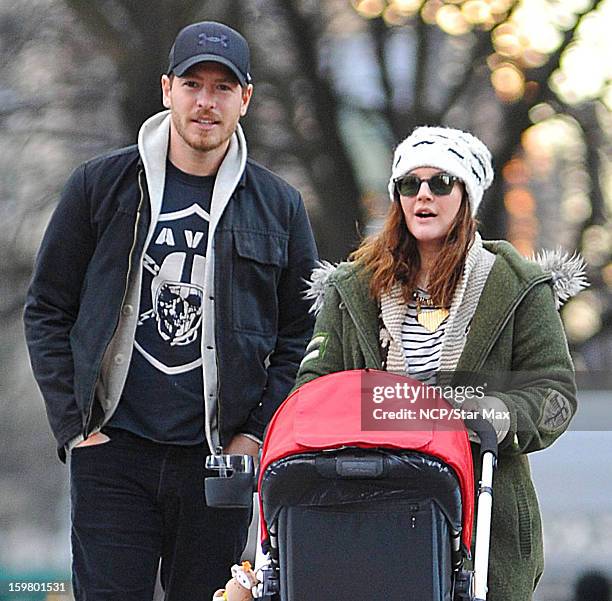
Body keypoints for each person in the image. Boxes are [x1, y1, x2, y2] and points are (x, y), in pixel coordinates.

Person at [24, 21, 317, 601]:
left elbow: (302, 334)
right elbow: (47, 309)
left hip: (217, 464)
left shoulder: (278, 205)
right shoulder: (101, 186)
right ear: (167, 89)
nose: (206, 102)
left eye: (222, 88)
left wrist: (255, 435)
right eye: (192, 84)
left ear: (246, 99)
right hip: (113, 453)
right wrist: (75, 429)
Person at [296, 126, 586, 601]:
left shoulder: (519, 286)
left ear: (466, 196)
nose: (423, 196)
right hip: (368, 507)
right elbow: (311, 389)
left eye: (440, 183)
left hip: (483, 514)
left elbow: (555, 394)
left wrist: (495, 415)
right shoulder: (352, 289)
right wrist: (377, 411)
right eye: (410, 185)